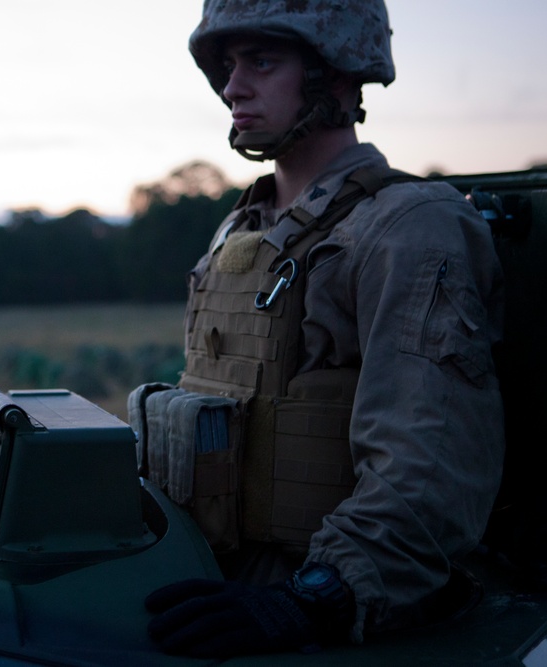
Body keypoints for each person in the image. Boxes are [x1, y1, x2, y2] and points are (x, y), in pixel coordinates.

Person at [133, 0, 505, 657]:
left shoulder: (407, 228)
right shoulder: (241, 227)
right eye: (228, 64)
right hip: (211, 569)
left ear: (336, 75)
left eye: (263, 61)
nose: (233, 86)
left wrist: (316, 597)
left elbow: (429, 466)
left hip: (326, 595)